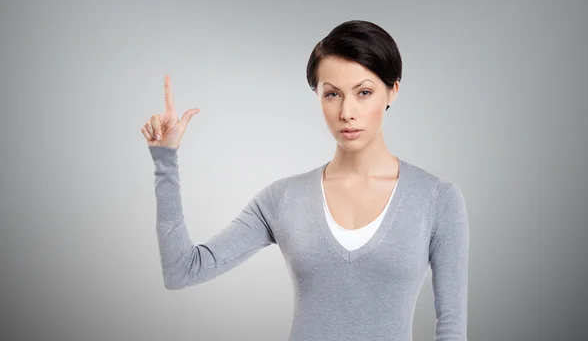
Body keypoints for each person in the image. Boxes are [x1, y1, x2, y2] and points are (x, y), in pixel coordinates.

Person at [141, 20, 469, 340]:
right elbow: (181, 271)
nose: (347, 112)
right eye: (332, 94)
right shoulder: (284, 198)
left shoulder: (436, 199)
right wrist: (165, 160)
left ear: (392, 91)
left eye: (364, 92)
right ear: (317, 96)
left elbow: (451, 325)